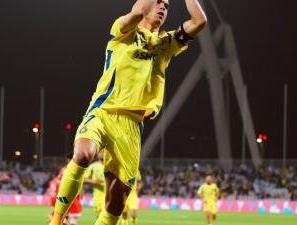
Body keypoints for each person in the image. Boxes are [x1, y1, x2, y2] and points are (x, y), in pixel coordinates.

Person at [50, 1, 207, 224]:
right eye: (159, 2)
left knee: (116, 201)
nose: (163, 7)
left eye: (167, 5)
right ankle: (56, 221)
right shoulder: (122, 31)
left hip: (131, 125)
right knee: (84, 154)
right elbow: (138, 12)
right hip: (103, 111)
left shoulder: (166, 43)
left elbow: (200, 21)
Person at [84, 153, 107, 218]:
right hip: (98, 199)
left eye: (104, 151)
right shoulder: (93, 166)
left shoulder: (112, 165)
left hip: (111, 198)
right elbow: (83, 179)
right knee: (99, 220)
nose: (102, 153)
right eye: (100, 152)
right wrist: (92, 181)